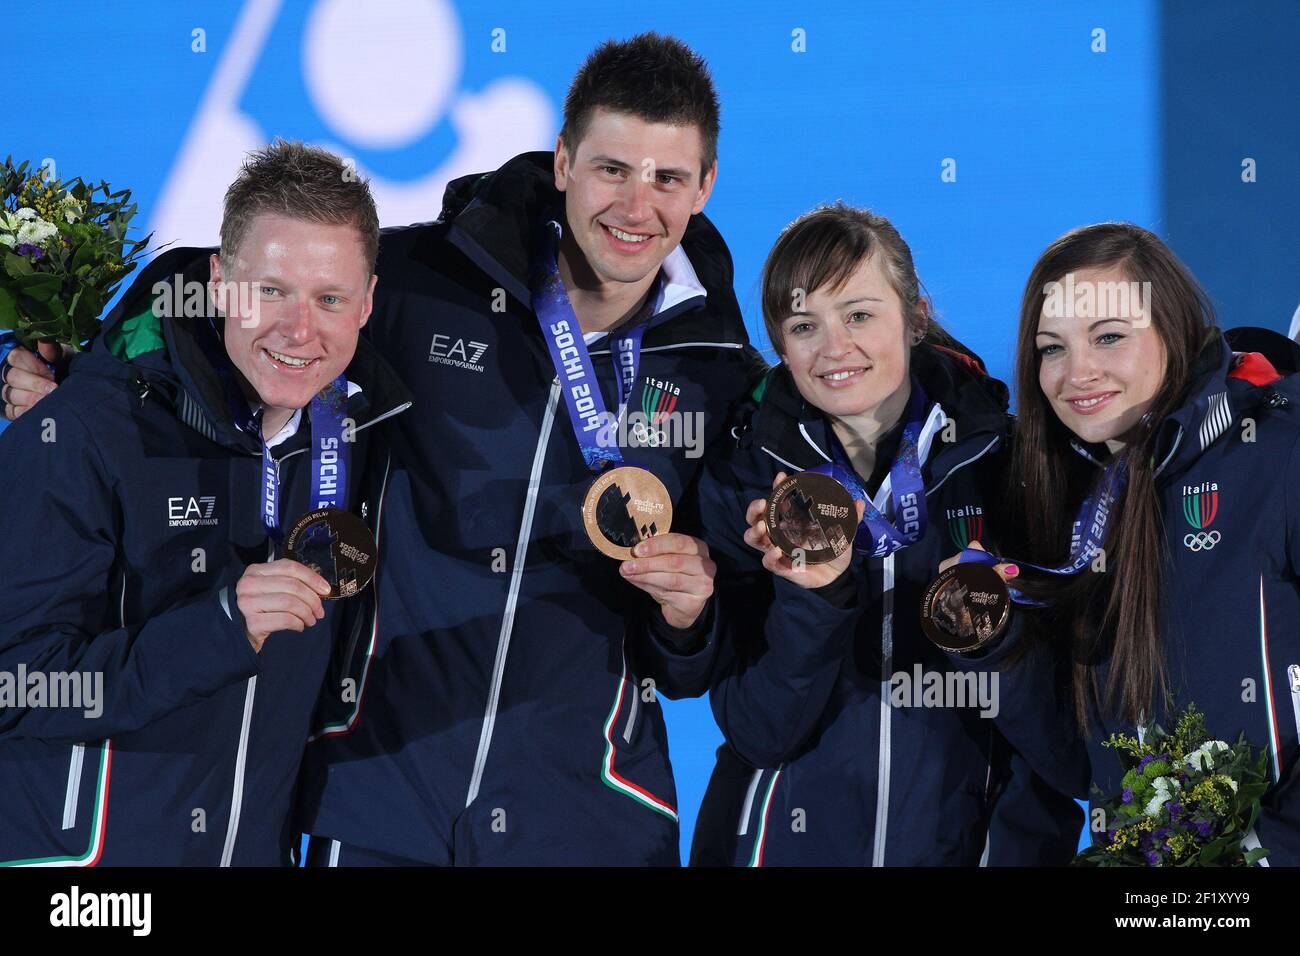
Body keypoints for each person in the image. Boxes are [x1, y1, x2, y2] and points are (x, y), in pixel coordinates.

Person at [5, 34, 762, 867]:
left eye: (668, 178)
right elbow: (237, 305)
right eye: (612, 168)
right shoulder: (418, 281)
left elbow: (707, 655)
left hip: (590, 815)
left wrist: (691, 618)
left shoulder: (725, 373)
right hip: (375, 794)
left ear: (705, 187)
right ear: (562, 162)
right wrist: (88, 379)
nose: (635, 204)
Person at [0, 140, 410, 865]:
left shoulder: (367, 440)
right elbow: (18, 685)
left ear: (368, 303)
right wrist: (220, 627)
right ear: (219, 282)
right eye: (270, 291)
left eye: (330, 298)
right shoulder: (90, 424)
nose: (299, 329)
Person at [688, 204, 1086, 866]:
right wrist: (815, 598)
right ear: (779, 346)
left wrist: (992, 642)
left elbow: (1073, 758)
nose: (835, 348)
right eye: (803, 325)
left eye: (859, 315)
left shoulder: (1017, 471)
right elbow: (759, 732)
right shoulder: (744, 482)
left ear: (916, 314)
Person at [946, 221, 1300, 864]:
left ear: (1173, 327)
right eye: (1052, 349)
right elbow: (1083, 770)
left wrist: (1260, 857)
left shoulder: (1279, 449)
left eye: (1108, 337)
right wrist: (997, 642)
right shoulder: (1073, 500)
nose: (1077, 373)